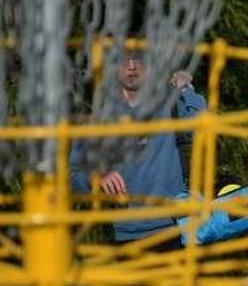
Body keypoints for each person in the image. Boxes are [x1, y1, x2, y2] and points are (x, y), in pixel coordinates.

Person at [70, 50, 207, 246]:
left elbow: (202, 126)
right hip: (124, 236)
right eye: (124, 59)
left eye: (139, 58)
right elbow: (74, 176)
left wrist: (186, 89)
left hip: (176, 228)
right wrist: (97, 177)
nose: (132, 65)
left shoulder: (169, 105)